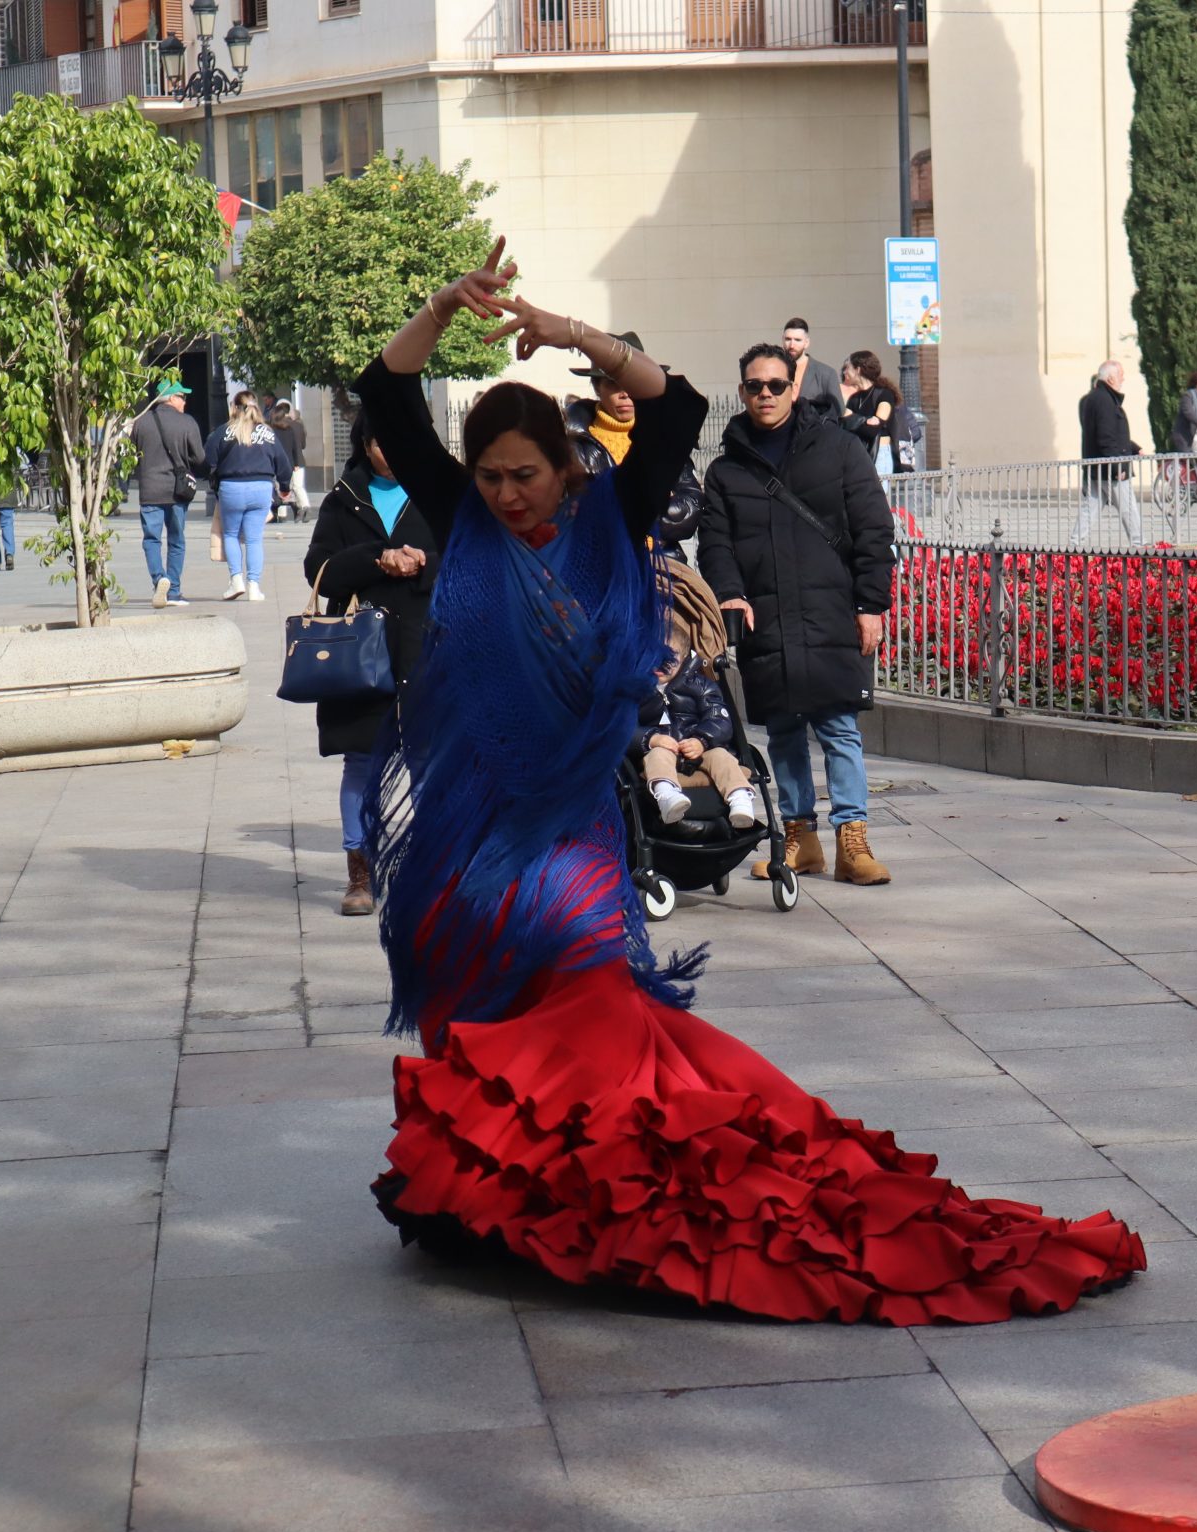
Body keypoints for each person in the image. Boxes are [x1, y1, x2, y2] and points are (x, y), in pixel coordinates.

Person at [356, 240, 1142, 1324]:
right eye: (488, 478)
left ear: (566, 473)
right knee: (485, 1003)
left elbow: (674, 407)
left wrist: (577, 337)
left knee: (585, 1003)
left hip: (573, 829)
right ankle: (494, 1203)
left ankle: (602, 1198)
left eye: (522, 476)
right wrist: (445, 304)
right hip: (474, 825)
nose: (503, 496)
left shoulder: (602, 525)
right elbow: (387, 394)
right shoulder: (463, 522)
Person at [699, 342, 897, 887]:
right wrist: (730, 593)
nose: (765, 394)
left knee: (839, 729)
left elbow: (875, 529)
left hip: (831, 611)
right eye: (755, 386)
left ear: (794, 388)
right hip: (767, 619)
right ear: (742, 392)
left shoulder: (837, 448)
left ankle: (851, 840)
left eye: (776, 385)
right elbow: (716, 544)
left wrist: (871, 604)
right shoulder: (725, 469)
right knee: (783, 731)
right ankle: (800, 840)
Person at [304, 408, 439, 919]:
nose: (392, 452)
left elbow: (471, 556)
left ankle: (434, 868)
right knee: (361, 763)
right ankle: (359, 872)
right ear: (365, 443)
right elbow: (318, 567)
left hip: (427, 645)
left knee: (430, 763)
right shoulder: (343, 499)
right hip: (362, 655)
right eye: (382, 441)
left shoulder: (438, 493)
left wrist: (422, 562)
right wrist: (375, 560)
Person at [565, 330, 704, 557]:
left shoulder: (663, 435)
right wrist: (653, 504)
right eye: (613, 384)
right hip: (596, 564)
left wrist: (623, 513)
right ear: (597, 387)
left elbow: (691, 509)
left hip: (664, 566)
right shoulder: (571, 443)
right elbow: (573, 515)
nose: (625, 393)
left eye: (630, 383)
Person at [641, 646, 761, 829]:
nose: (660, 663)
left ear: (683, 658)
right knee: (656, 756)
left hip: (701, 748)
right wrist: (652, 738)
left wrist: (702, 739)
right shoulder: (637, 691)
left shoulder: (701, 685)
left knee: (722, 756)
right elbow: (623, 728)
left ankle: (740, 798)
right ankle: (667, 796)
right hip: (664, 750)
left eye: (668, 658)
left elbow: (719, 720)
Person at [207, 390, 291, 601]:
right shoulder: (268, 432)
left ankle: (236, 580)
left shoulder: (223, 431)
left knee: (231, 535)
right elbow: (284, 464)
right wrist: (284, 486)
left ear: (234, 408)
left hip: (231, 488)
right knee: (254, 539)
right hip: (261, 488)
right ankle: (254, 586)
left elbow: (207, 457)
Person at [133, 377, 205, 607]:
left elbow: (132, 452)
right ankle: (173, 590)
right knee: (176, 539)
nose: (185, 402)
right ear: (172, 398)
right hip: (177, 490)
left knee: (151, 539)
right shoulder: (187, 423)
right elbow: (199, 457)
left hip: (149, 489)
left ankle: (159, 579)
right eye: (182, 397)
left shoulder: (141, 422)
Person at [1069, 361, 1144, 546]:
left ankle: (1074, 544)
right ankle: (1139, 545)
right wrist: (1117, 465)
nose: (1123, 379)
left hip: (1098, 468)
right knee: (1128, 508)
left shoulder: (1096, 398)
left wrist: (1134, 448)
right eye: (1120, 375)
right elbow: (1106, 436)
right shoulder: (1105, 400)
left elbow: (1112, 434)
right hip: (1110, 468)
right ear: (1110, 378)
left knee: (1090, 508)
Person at [840, 349, 900, 480]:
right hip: (857, 453)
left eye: (847, 368)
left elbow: (872, 431)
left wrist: (851, 417)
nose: (844, 372)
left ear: (858, 370)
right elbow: (843, 425)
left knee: (877, 497)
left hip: (879, 453)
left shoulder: (884, 394)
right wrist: (864, 420)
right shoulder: (854, 398)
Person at [779, 317, 843, 416]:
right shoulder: (774, 370)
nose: (792, 345)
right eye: (788, 339)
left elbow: (838, 412)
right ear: (782, 340)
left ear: (807, 343)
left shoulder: (826, 374)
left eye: (797, 340)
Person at [267, 400, 312, 523]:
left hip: (281, 463)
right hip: (293, 462)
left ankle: (284, 513)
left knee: (284, 486)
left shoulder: (271, 430)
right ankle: (302, 508)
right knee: (296, 486)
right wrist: (297, 463)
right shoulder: (294, 426)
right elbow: (299, 446)